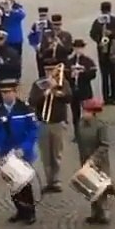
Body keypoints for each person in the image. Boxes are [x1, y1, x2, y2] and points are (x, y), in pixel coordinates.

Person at [0, 79, 40, 224]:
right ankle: (19, 210)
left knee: (24, 183)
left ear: (15, 92)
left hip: (22, 151)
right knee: (13, 183)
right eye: (3, 93)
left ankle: (30, 212)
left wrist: (24, 148)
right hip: (7, 152)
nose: (6, 95)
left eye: (9, 92)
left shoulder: (25, 108)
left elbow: (33, 130)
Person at [29, 62, 72, 193]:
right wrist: (45, 93)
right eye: (48, 70)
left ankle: (56, 180)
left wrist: (58, 92)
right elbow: (32, 101)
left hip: (57, 122)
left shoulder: (63, 83)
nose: (50, 73)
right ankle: (49, 181)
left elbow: (69, 98)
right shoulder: (39, 84)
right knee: (46, 154)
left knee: (57, 153)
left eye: (52, 70)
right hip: (43, 122)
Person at [76, 98, 114, 224]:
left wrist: (94, 158)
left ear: (92, 112)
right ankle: (94, 213)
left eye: (86, 111)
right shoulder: (80, 124)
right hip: (86, 160)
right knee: (90, 188)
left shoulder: (100, 125)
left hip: (99, 162)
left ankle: (104, 212)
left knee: (101, 189)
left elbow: (104, 145)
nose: (83, 113)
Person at [89, 2, 115, 103]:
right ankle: (107, 97)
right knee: (105, 75)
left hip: (113, 49)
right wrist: (99, 40)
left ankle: (113, 97)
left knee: (113, 75)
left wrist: (111, 33)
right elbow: (92, 34)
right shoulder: (98, 22)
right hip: (102, 50)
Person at [65, 39, 98, 138]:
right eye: (77, 48)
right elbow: (65, 75)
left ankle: (90, 132)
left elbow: (93, 75)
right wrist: (71, 74)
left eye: (80, 48)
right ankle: (77, 134)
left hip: (85, 90)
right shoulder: (70, 61)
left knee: (88, 111)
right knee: (75, 113)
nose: (79, 50)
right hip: (74, 91)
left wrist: (83, 73)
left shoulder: (88, 61)